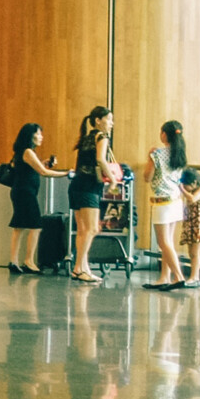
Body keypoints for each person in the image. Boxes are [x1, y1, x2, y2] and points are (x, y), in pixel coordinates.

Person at [68, 106, 121, 285]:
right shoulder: (101, 136)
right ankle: (79, 268)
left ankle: (82, 267)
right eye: (109, 119)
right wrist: (113, 179)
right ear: (98, 120)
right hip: (89, 186)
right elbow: (100, 159)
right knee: (91, 229)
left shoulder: (86, 137)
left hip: (76, 185)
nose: (112, 124)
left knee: (83, 230)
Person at [7, 123, 68, 274]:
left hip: (21, 191)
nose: (41, 137)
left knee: (19, 226)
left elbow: (35, 168)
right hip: (25, 192)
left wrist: (45, 163)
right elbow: (43, 172)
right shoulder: (28, 151)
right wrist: (65, 173)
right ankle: (28, 260)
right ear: (31, 135)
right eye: (39, 134)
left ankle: (14, 261)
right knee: (35, 226)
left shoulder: (25, 152)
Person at [143, 121, 188, 291]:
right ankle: (164, 277)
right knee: (168, 241)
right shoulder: (180, 155)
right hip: (176, 200)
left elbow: (147, 177)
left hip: (162, 202)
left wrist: (149, 157)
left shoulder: (158, 154)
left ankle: (178, 276)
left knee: (163, 243)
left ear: (164, 135)